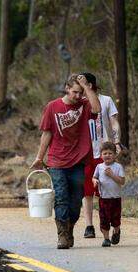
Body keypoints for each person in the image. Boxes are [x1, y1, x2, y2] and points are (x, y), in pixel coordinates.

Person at [32, 74, 102, 249]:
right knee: (61, 197)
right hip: (57, 161)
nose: (78, 96)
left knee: (76, 200)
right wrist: (40, 157)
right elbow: (47, 133)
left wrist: (87, 87)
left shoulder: (85, 105)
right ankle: (62, 235)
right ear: (67, 89)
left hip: (79, 160)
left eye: (80, 93)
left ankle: (69, 228)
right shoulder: (52, 107)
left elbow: (97, 108)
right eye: (75, 92)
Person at [78, 72, 121, 240]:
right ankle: (89, 225)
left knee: (107, 189)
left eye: (83, 84)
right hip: (87, 152)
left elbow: (114, 122)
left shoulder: (106, 100)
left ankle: (111, 223)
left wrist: (116, 142)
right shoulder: (79, 103)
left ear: (90, 85)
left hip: (104, 151)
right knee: (87, 190)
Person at [91, 141, 126, 247]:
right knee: (104, 219)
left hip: (115, 198)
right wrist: (95, 181)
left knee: (116, 219)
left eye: (110, 153)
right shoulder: (99, 167)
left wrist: (112, 175)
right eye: (105, 153)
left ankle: (116, 232)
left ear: (115, 155)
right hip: (104, 198)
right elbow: (94, 177)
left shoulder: (118, 167)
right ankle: (106, 239)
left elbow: (122, 181)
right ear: (101, 155)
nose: (107, 155)